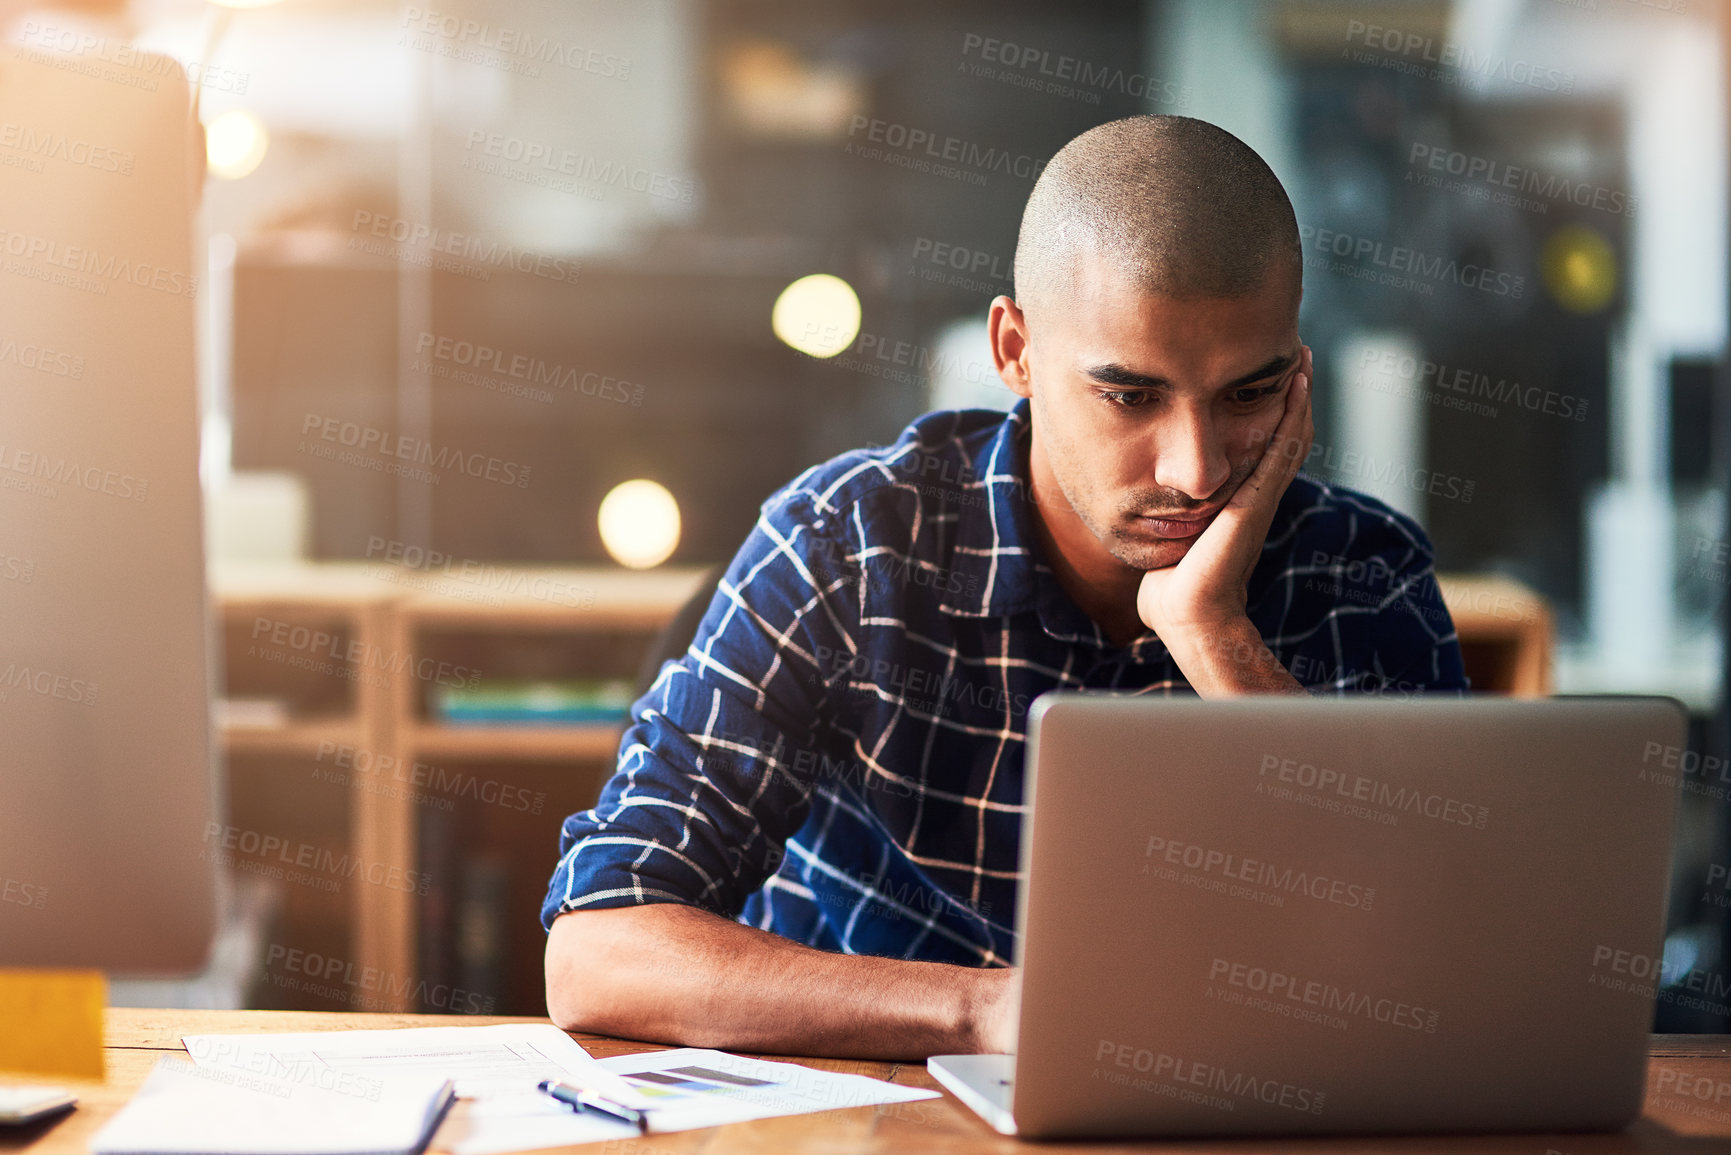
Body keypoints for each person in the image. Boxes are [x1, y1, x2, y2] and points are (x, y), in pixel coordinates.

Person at [541, 115, 1468, 1061]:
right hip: (871, 1113)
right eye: (1130, 396)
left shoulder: (1365, 576)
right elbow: (599, 949)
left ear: (1298, 374)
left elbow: (1446, 973)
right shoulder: (848, 543)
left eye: (1247, 393)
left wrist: (1214, 635)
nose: (1195, 469)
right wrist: (985, 1011)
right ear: (1014, 351)